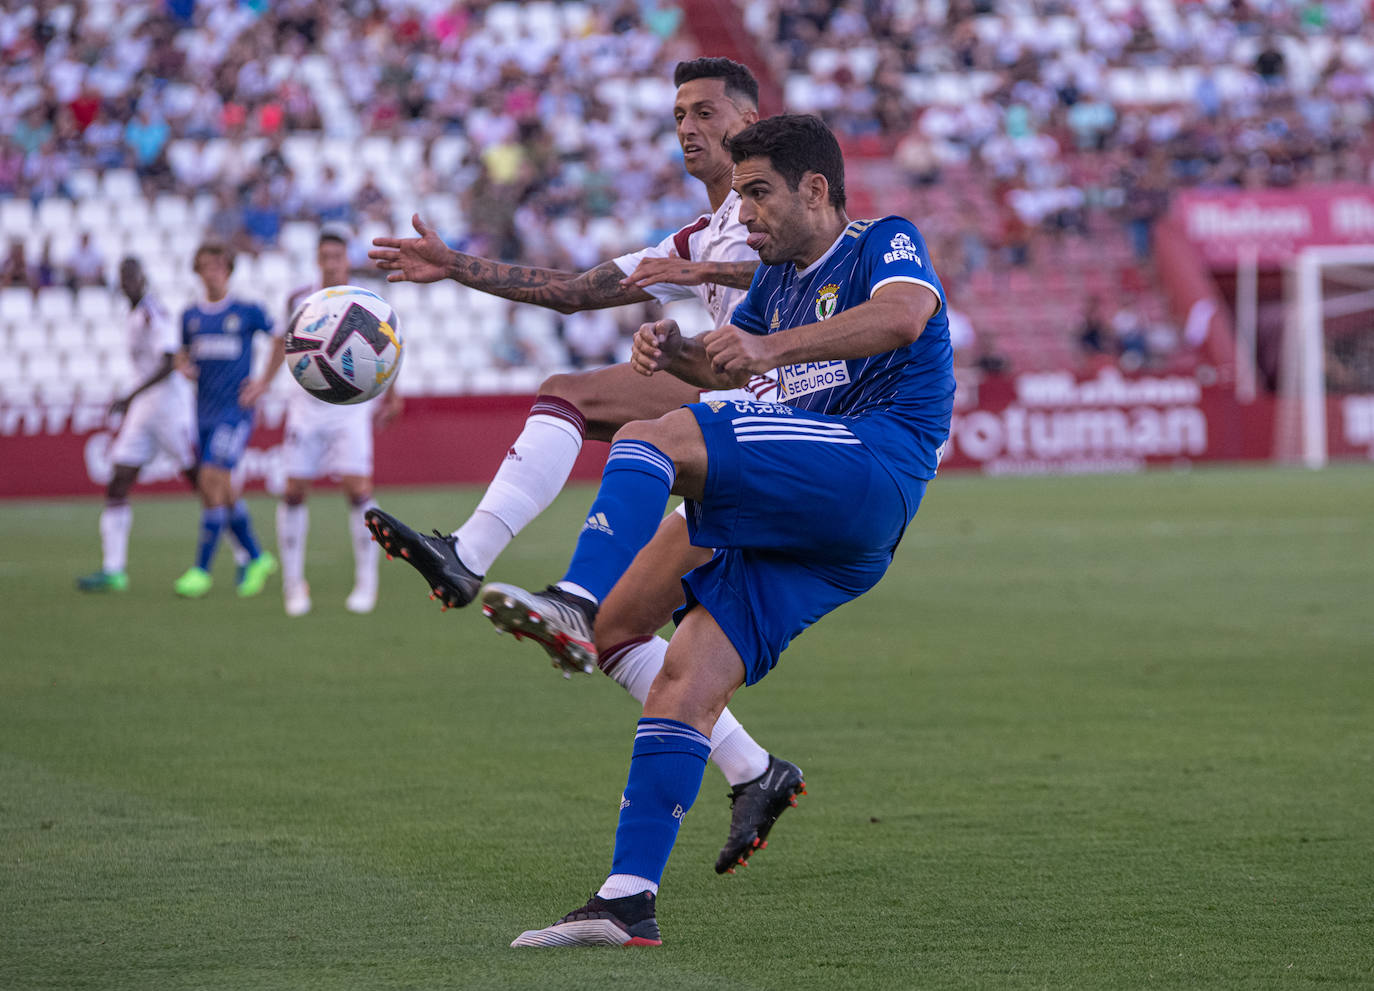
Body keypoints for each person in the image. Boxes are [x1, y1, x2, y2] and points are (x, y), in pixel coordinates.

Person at [487, 114, 953, 947]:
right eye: (739, 196)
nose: (746, 214)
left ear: (815, 188)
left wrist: (769, 349)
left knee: (650, 438)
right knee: (680, 674)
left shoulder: (883, 240)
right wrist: (674, 352)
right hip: (816, 523)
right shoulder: (772, 286)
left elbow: (904, 319)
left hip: (872, 464)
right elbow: (728, 361)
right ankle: (627, 899)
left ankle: (567, 594)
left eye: (759, 193)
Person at [365, 58, 803, 875]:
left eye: (706, 110)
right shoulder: (693, 237)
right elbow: (574, 291)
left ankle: (567, 593)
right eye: (678, 114)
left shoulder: (788, 213)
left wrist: (698, 276)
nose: (687, 127)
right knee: (613, 615)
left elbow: (808, 268)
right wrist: (456, 263)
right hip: (734, 421)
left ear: (751, 119)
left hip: (791, 446)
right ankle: (755, 769)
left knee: (655, 436)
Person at [240, 225, 402, 616]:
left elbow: (385, 349)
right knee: (294, 491)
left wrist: (393, 395)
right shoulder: (300, 298)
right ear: (317, 260)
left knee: (358, 491)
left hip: (350, 407)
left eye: (337, 257)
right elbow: (283, 342)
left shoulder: (366, 300)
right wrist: (263, 381)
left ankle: (367, 582)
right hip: (306, 407)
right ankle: (294, 585)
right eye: (325, 258)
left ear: (347, 259)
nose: (331, 264)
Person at [76, 258, 197, 592]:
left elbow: (168, 362)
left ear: (144, 279)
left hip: (170, 408)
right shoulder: (133, 315)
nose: (129, 282)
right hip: (145, 411)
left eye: (133, 276)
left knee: (203, 482)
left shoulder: (152, 313)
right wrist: (134, 399)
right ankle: (114, 570)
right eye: (124, 277)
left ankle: (249, 555)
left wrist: (130, 396)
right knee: (118, 481)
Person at [173, 241, 278, 599]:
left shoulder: (247, 310)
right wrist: (183, 366)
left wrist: (263, 381)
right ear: (198, 271)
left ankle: (201, 570)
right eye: (206, 265)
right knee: (224, 490)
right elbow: (182, 353)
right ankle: (258, 557)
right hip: (202, 413)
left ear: (229, 270)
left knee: (210, 480)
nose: (213, 271)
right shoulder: (190, 315)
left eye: (219, 265)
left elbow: (283, 337)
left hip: (235, 412)